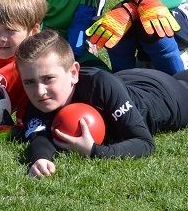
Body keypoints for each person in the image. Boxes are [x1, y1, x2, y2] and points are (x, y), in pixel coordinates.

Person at [15, 29, 188, 178]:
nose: (39, 91)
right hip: (128, 80)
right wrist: (40, 158)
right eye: (29, 82)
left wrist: (94, 151)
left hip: (168, 96)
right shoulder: (39, 100)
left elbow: (144, 143)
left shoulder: (100, 85)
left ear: (74, 72)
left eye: (48, 78)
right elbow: (39, 135)